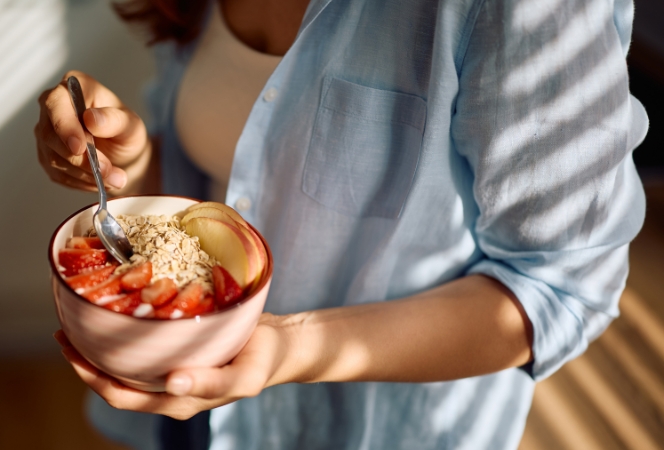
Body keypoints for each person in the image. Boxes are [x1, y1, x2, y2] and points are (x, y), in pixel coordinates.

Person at [35, 0, 648, 448]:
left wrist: (293, 346)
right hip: (195, 414)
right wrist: (134, 164)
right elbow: (210, 203)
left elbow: (558, 290)